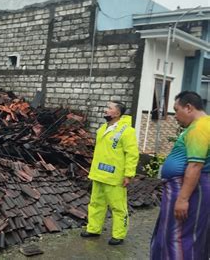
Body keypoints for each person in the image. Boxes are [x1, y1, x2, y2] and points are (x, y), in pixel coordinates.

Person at [150, 91, 210, 260]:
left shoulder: (199, 128)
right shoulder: (202, 125)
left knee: (178, 236)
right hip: (185, 186)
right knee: (175, 233)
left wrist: (183, 199)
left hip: (187, 188)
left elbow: (195, 165)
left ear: (189, 108)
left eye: (176, 110)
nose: (175, 116)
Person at [81, 101, 139, 245]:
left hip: (115, 177)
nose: (105, 110)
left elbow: (132, 154)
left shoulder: (127, 131)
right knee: (95, 203)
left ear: (117, 113)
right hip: (98, 173)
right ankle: (93, 229)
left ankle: (118, 234)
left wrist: (128, 174)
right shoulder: (102, 129)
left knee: (118, 207)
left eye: (109, 108)